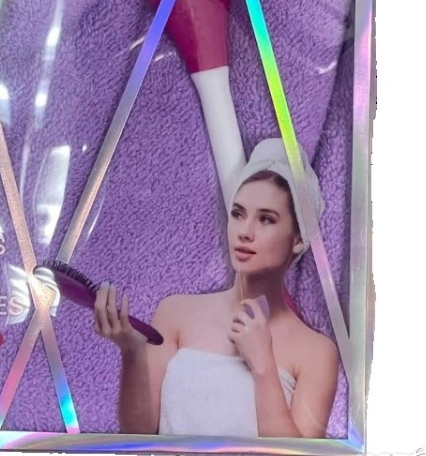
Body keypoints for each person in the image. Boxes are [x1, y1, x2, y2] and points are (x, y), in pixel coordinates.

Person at [93, 139, 339, 437]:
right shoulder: (175, 313)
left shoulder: (317, 353)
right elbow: (138, 432)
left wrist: (263, 365)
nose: (245, 231)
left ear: (298, 239)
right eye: (238, 214)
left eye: (266, 219)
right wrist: (132, 353)